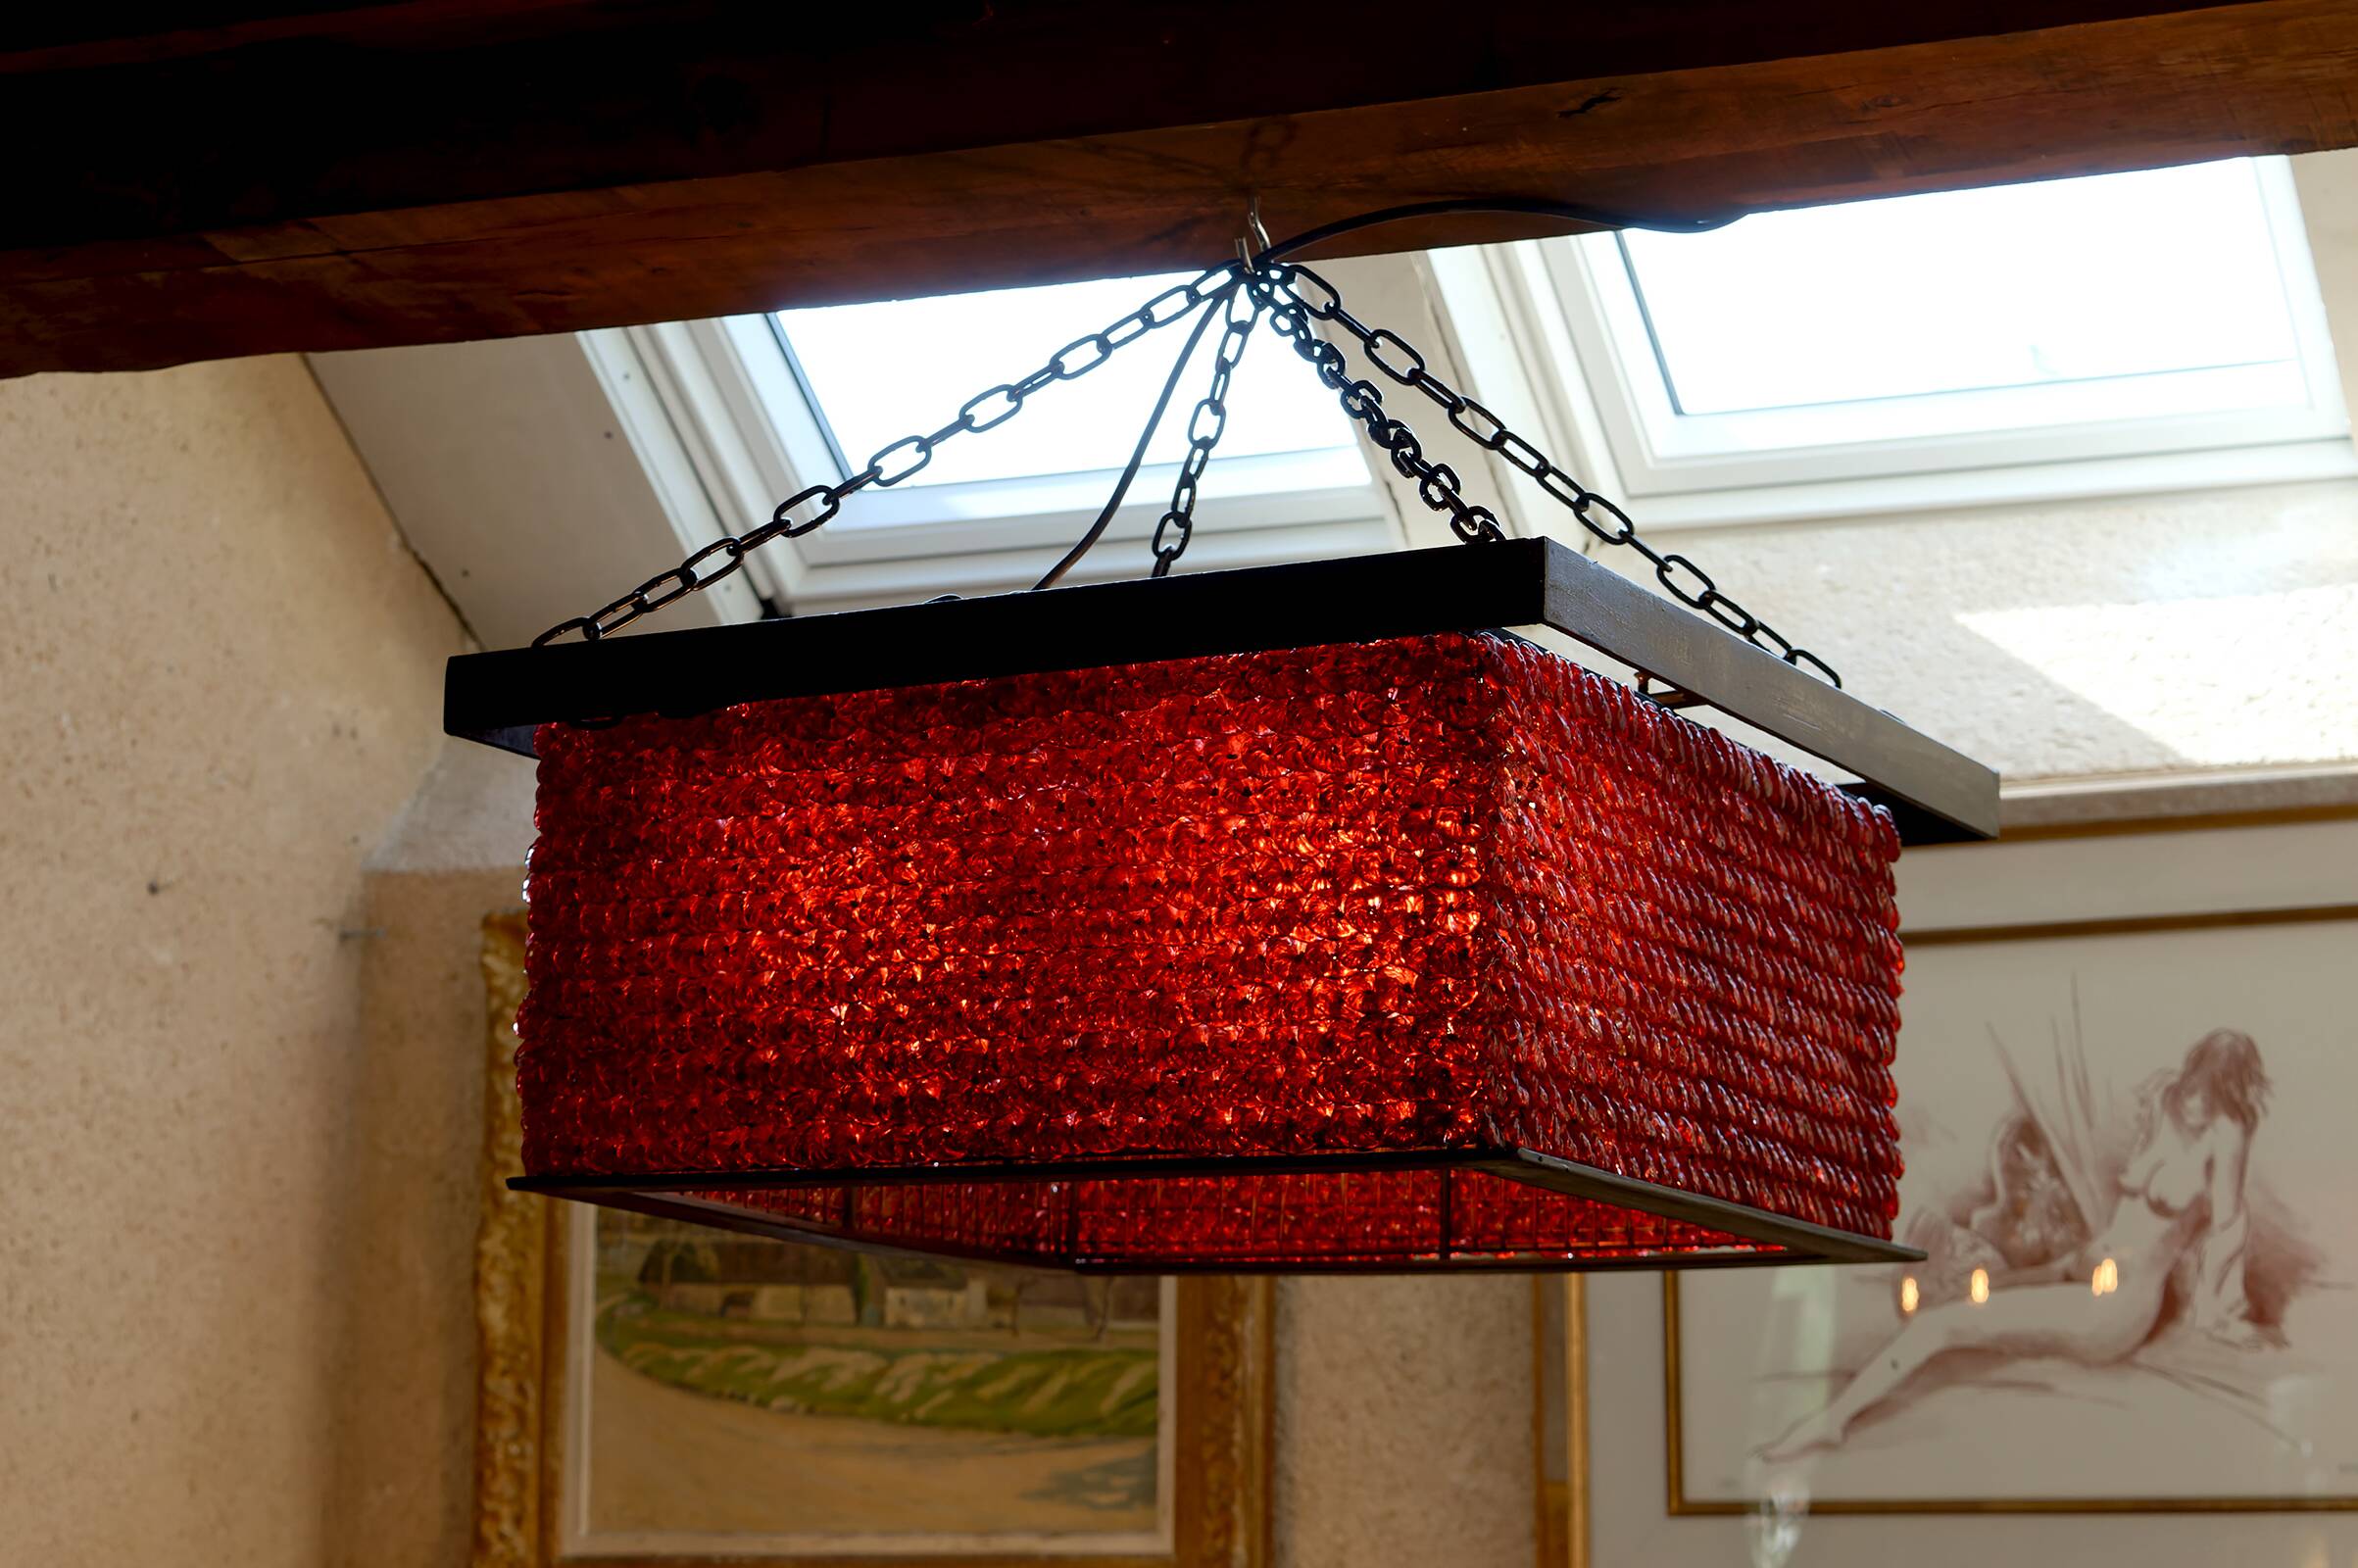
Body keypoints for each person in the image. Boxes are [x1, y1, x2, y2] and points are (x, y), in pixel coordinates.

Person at [1762, 1029, 2270, 1459]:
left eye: (2210, 1094)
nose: (2195, 1103)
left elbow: (2230, 1226)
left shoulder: (2227, 1138)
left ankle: (1834, 1420)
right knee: (1958, 1296)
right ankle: (1853, 1393)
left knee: (1944, 1325)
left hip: (2115, 1309)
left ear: (2229, 1096)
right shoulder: (2167, 1099)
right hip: (2082, 1269)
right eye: (2193, 1087)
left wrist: (2218, 1308)